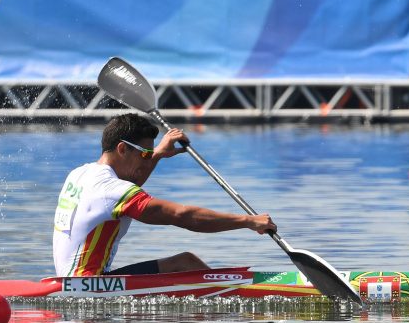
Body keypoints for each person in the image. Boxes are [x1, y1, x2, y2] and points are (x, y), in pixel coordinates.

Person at [52, 113, 276, 277]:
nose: (146, 159)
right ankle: (237, 298)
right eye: (145, 153)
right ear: (122, 149)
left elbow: (123, 189)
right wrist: (248, 221)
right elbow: (181, 216)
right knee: (186, 264)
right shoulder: (113, 191)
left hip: (74, 281)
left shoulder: (79, 174)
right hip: (88, 285)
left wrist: (156, 155)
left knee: (185, 263)